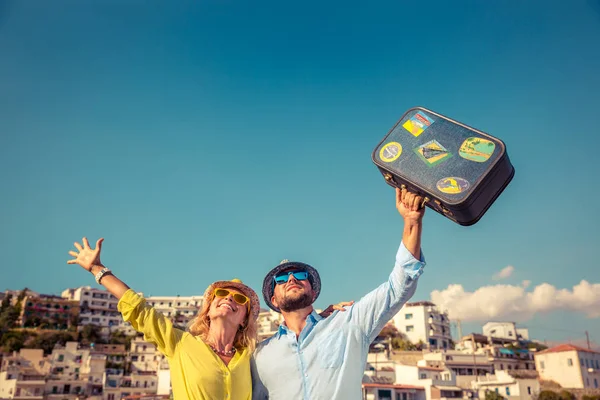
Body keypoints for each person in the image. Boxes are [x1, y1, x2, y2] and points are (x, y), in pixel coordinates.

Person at [251, 187, 427, 399]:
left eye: (300, 274)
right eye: (281, 279)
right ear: (273, 300)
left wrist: (412, 221)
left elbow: (399, 286)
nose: (291, 279)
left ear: (313, 291)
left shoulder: (349, 323)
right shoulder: (260, 356)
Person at [67, 238, 260, 399]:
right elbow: (139, 309)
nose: (229, 297)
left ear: (245, 319)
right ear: (208, 310)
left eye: (240, 299)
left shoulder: (251, 357)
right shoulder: (180, 343)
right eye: (223, 292)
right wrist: (97, 269)